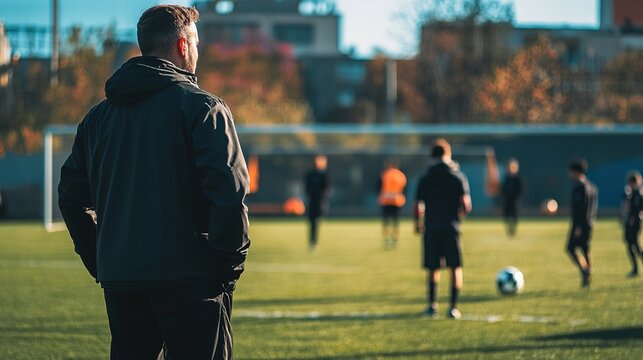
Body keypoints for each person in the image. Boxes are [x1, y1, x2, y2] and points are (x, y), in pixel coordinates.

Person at [58, 5, 250, 359]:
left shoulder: (97, 119)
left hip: (123, 279)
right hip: (191, 280)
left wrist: (102, 258)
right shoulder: (203, 108)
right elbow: (229, 195)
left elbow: (70, 198)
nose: (197, 51)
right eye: (195, 42)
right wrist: (227, 270)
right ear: (182, 46)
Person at [415, 138, 472, 319]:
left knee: (433, 267)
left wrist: (418, 224)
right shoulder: (458, 176)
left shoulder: (425, 177)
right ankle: (453, 307)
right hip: (451, 227)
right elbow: (466, 205)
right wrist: (459, 216)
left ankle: (432, 305)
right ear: (448, 154)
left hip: (431, 227)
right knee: (455, 267)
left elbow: (418, 206)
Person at [566, 159, 598, 289]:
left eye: (571, 171)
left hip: (580, 224)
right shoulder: (592, 187)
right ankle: (587, 273)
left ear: (576, 172)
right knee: (585, 248)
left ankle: (585, 270)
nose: (569, 174)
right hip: (589, 223)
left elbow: (582, 210)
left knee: (570, 248)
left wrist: (578, 227)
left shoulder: (581, 188)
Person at [377, 161, 407, 249]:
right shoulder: (401, 175)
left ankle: (386, 238)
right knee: (396, 221)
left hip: (385, 200)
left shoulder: (384, 174)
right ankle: (395, 238)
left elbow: (378, 186)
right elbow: (404, 188)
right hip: (397, 201)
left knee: (386, 221)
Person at [304, 155, 330, 251]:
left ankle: (314, 242)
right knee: (312, 222)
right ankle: (312, 242)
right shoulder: (310, 174)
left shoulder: (324, 175)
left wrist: (323, 198)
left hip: (320, 201)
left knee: (316, 221)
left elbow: (326, 188)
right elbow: (307, 188)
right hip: (312, 201)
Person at [622, 170, 643, 277]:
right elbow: (625, 206)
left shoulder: (639, 194)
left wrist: (634, 218)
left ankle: (636, 268)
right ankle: (635, 268)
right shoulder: (629, 194)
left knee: (635, 245)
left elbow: (638, 209)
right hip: (628, 223)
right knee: (631, 245)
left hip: (635, 224)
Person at [501, 158, 523, 237]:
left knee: (514, 216)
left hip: (514, 200)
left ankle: (513, 230)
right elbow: (503, 189)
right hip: (507, 200)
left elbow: (521, 189)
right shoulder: (507, 178)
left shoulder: (517, 178)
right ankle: (509, 229)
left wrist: (516, 196)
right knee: (506, 216)